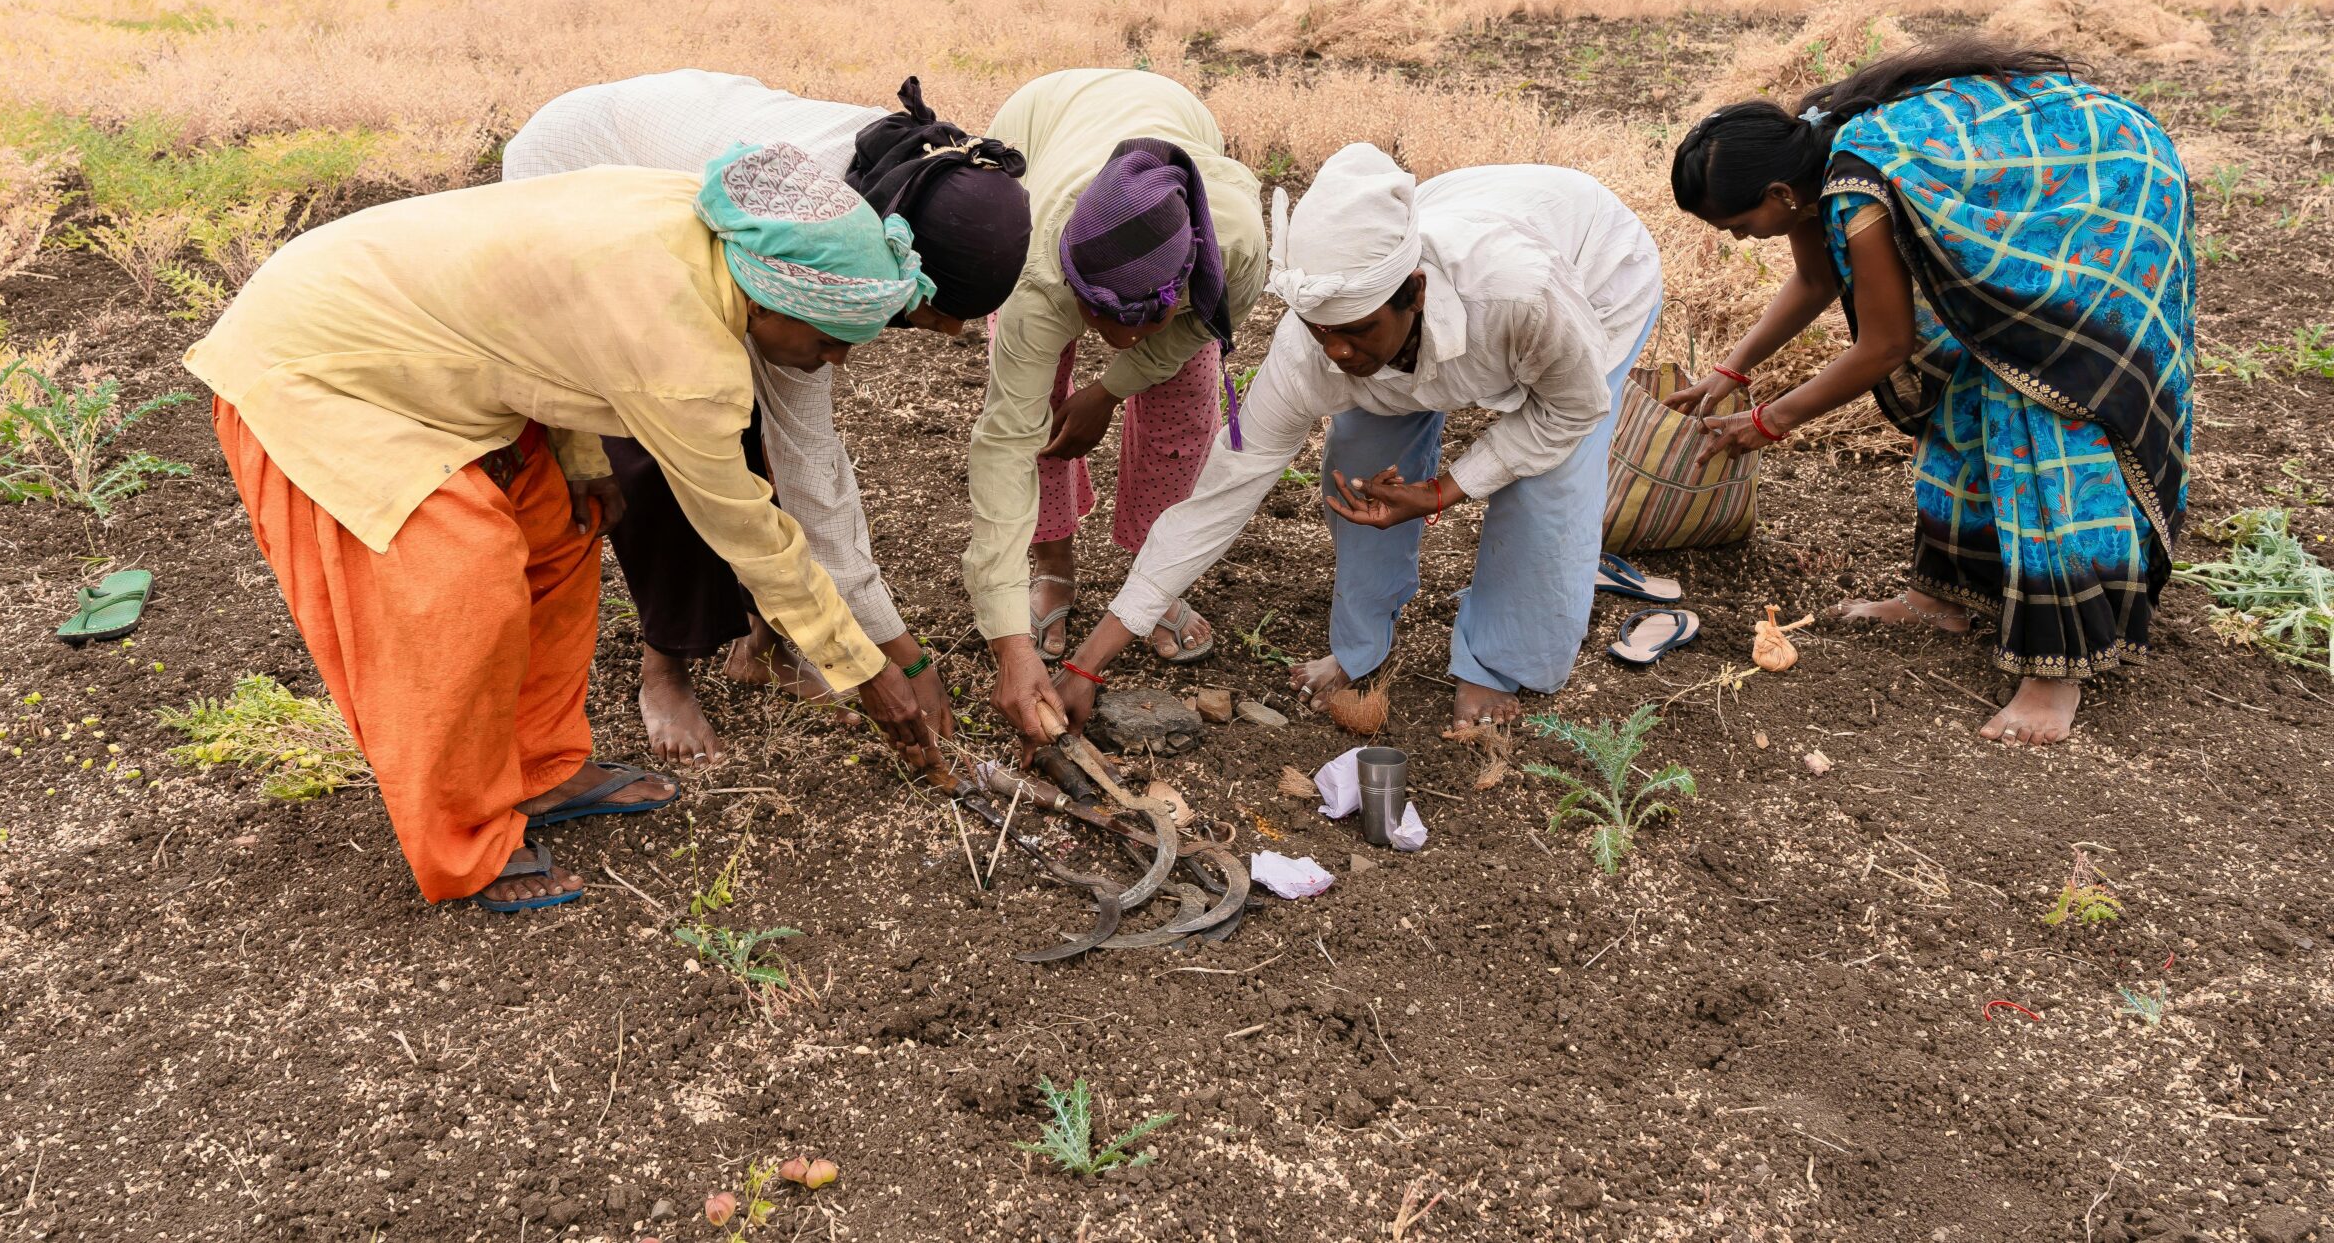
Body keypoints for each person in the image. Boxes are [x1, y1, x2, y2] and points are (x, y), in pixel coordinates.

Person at [187, 143, 944, 912]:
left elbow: (557, 317)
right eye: (824, 343)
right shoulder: (685, 351)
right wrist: (862, 667)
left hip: (429, 353)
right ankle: (466, 842)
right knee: (459, 585)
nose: (831, 365)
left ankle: (541, 769)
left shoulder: (696, 229)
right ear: (766, 303)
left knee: (562, 528)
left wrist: (582, 453)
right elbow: (751, 533)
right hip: (321, 361)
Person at [1665, 39, 2195, 747]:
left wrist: (1770, 420)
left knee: (2036, 401)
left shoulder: (1854, 184)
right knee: (1960, 379)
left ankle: (2058, 672)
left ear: (1779, 197)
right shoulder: (1808, 157)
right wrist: (1733, 369)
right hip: (2036, 196)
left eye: (1736, 225)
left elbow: (1883, 345)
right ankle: (1942, 598)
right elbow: (1819, 282)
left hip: (2102, 191)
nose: (1736, 238)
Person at [503, 70, 1029, 762]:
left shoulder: (915, 183)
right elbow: (811, 469)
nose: (944, 334)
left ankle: (765, 645)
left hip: (679, 181)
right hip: (581, 170)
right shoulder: (810, 245)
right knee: (661, 449)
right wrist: (897, 655)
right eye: (925, 313)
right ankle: (664, 671)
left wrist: (877, 643)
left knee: (746, 421)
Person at [1053, 144, 1663, 732]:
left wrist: (1445, 490)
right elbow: (1219, 496)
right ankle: (1361, 648)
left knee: (1543, 484)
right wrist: (1088, 661)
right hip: (1465, 219)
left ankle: (1500, 663)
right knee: (1359, 469)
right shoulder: (1314, 349)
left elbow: (1569, 411)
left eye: (1359, 331)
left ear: (1415, 293)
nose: (1339, 351)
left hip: (1590, 265)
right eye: (1323, 332)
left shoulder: (1520, 297)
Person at [971, 69, 1267, 745]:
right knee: (1040, 408)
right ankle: (1051, 567)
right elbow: (1003, 444)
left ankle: (1151, 581)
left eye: (1144, 321)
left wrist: (1110, 388)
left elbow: (1196, 330)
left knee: (1183, 399)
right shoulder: (1036, 274)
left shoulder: (1237, 245)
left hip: (1169, 113)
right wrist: (1008, 642)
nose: (1126, 341)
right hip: (1039, 126)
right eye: (1103, 318)